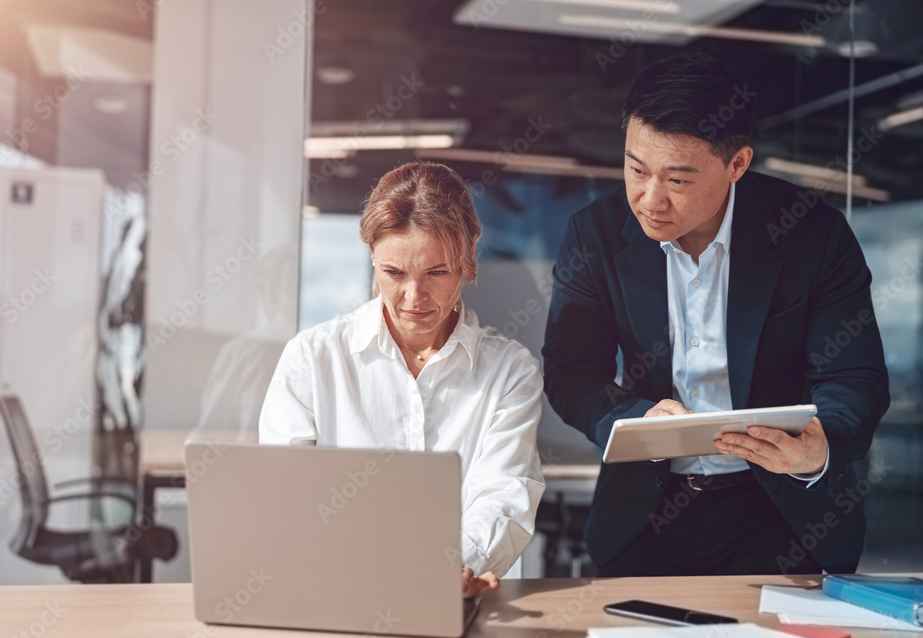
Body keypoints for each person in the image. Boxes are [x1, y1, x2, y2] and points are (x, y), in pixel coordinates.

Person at [543, 52, 889, 577]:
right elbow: (572, 370)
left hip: (784, 517)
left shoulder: (811, 234)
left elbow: (853, 376)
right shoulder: (593, 234)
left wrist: (822, 446)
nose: (649, 200)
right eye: (636, 169)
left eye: (677, 181)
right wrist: (631, 417)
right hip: (646, 516)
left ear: (737, 165)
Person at [260, 162, 545, 596]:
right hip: (339, 594)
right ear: (372, 256)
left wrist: (452, 568)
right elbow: (286, 499)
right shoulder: (311, 359)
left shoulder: (509, 371)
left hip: (460, 598)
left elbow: (504, 497)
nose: (414, 298)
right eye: (394, 273)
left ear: (468, 257)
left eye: (436, 272)